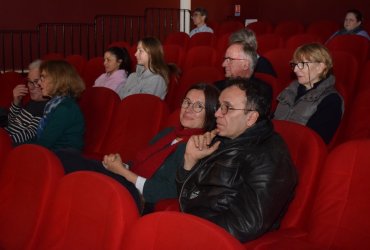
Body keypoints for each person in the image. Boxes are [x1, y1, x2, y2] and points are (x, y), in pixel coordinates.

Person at [56, 83, 219, 212]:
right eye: (187, 102)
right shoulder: (170, 133)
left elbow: (169, 191)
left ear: (211, 113)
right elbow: (138, 162)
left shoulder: (197, 147)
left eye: (198, 106)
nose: (189, 109)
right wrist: (121, 164)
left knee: (73, 165)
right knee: (66, 156)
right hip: (127, 179)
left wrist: (122, 172)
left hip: (141, 198)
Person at [177, 77, 297, 243]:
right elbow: (185, 196)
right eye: (219, 106)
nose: (217, 113)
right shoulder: (222, 137)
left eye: (227, 108)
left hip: (213, 237)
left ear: (251, 118)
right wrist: (189, 161)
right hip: (192, 223)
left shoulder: (269, 157)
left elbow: (246, 224)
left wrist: (193, 231)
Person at [274, 43, 344, 144]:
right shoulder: (289, 91)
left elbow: (313, 142)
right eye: (295, 64)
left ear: (320, 67)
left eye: (302, 64)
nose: (295, 69)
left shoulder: (331, 100)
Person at [34, 60, 85, 151]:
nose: (38, 83)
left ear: (57, 80)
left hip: (64, 157)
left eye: (43, 78)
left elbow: (44, 143)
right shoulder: (54, 105)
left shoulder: (65, 109)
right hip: (55, 154)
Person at [3, 60, 49, 145]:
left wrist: (5, 141)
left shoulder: (46, 107)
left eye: (36, 82)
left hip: (11, 144)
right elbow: (10, 122)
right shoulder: (32, 101)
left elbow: (30, 134)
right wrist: (16, 102)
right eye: (29, 81)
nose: (30, 87)